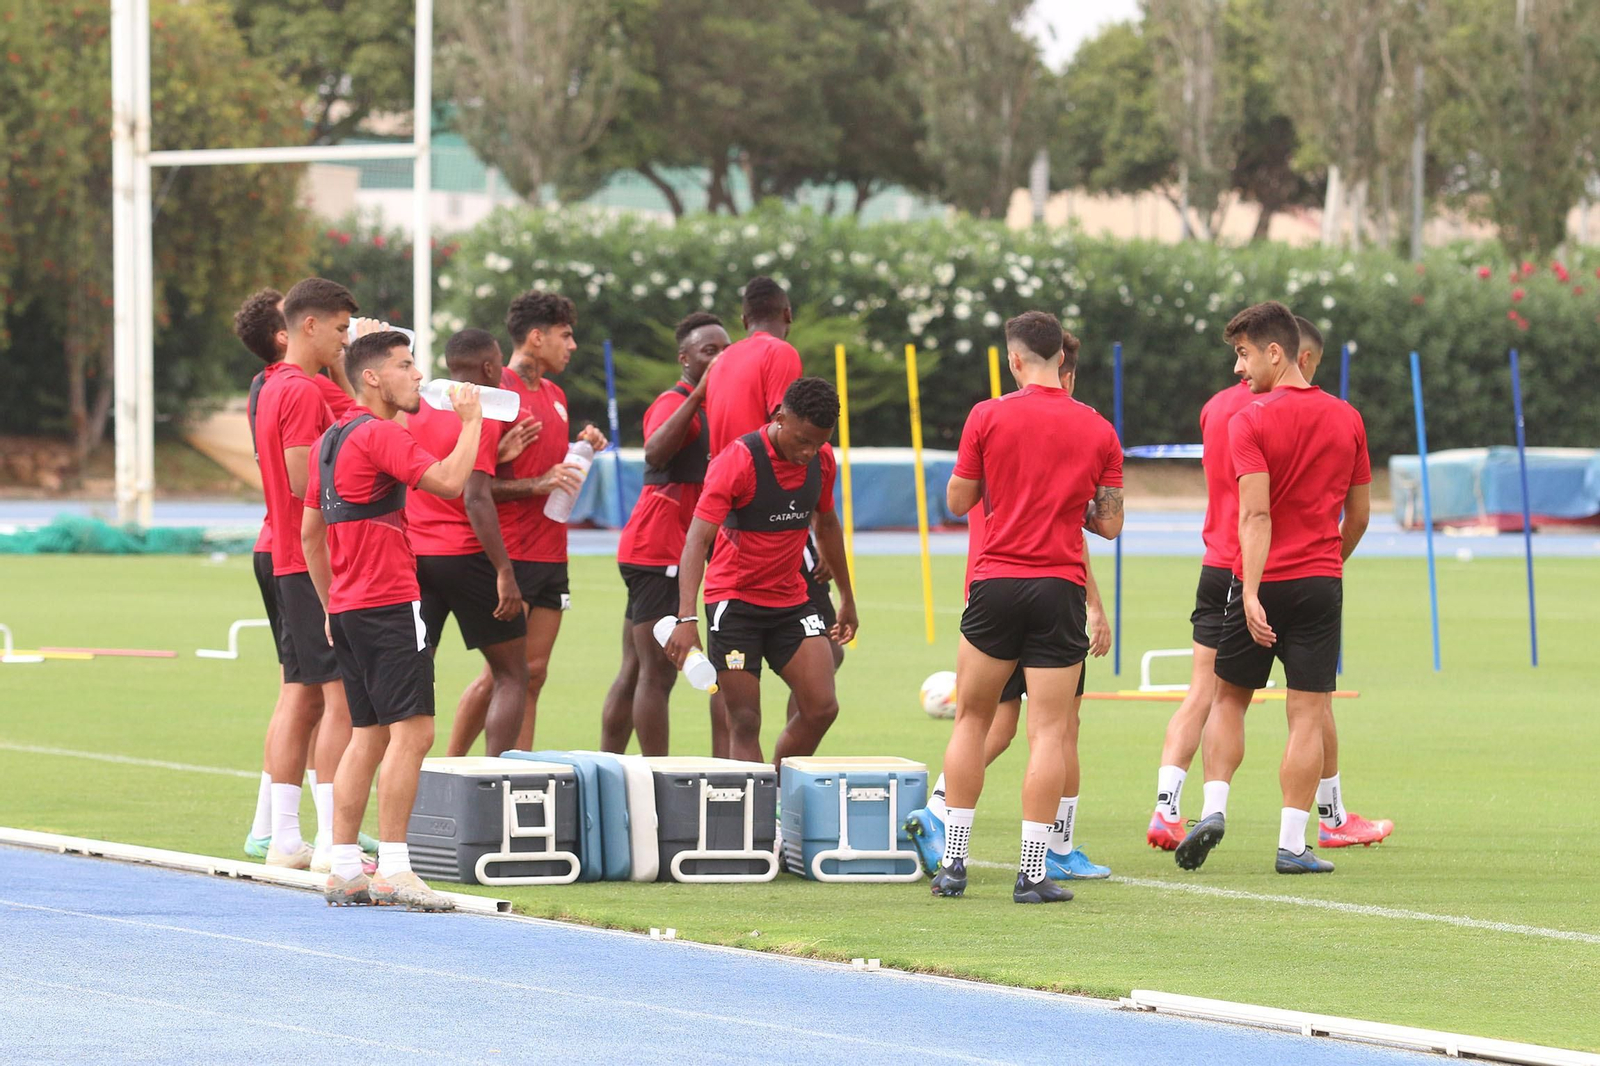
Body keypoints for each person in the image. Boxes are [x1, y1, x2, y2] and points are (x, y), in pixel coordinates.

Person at [1148, 317, 1392, 851]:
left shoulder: (1246, 417)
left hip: (1251, 575)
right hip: (1319, 579)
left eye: (1243, 354)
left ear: (1276, 353)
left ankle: (1210, 809)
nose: (1239, 367)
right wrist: (1332, 560)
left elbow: (1255, 516)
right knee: (1308, 713)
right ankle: (1294, 844)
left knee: (1226, 700)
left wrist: (1252, 590)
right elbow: (1361, 516)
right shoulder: (1348, 417)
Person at [906, 329, 1114, 882]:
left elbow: (956, 502)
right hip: (1059, 588)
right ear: (1064, 359)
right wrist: (1069, 500)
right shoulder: (1098, 427)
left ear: (1015, 359)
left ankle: (953, 863)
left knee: (972, 722)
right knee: (1050, 732)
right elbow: (1110, 524)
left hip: (994, 582)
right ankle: (1033, 872)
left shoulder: (986, 416)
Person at [302, 330, 485, 910]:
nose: (418, 376)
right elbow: (451, 483)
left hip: (352, 607)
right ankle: (396, 868)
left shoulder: (330, 440)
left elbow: (311, 534)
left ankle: (346, 867)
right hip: (387, 601)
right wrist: (473, 422)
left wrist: (331, 603)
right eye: (407, 365)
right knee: (415, 732)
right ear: (374, 378)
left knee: (368, 735)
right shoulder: (378, 434)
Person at [663, 378, 858, 766]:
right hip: (735, 607)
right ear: (779, 417)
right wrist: (685, 617)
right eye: (802, 439)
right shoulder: (738, 461)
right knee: (745, 721)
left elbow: (828, 525)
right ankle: (757, 819)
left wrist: (847, 597)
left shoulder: (821, 460)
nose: (808, 452)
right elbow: (697, 541)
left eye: (818, 442)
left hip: (791, 603)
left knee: (822, 707)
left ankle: (780, 792)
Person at [453, 291, 606, 753]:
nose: (572, 345)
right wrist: (535, 484)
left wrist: (584, 448)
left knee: (533, 675)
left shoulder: (556, 397)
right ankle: (448, 769)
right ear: (536, 338)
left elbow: (548, 473)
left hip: (551, 553)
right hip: (509, 554)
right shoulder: (495, 394)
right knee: (503, 674)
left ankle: (518, 773)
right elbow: (471, 487)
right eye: (565, 335)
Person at [700, 276, 845, 754]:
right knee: (830, 650)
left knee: (740, 687)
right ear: (788, 315)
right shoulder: (780, 355)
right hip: (767, 508)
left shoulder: (723, 361)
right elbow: (789, 437)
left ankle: (737, 775)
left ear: (743, 321)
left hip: (727, 513)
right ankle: (780, 778)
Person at [250, 278, 360, 870]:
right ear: (310, 326)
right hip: (304, 556)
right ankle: (325, 841)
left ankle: (288, 836)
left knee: (306, 694)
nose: (346, 341)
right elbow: (301, 480)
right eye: (341, 329)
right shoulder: (296, 391)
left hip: (289, 554)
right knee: (338, 698)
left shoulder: (282, 385)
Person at [600, 312, 728, 756]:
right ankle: (655, 776)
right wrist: (698, 393)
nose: (720, 358)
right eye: (709, 351)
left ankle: (607, 765)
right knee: (658, 672)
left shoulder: (724, 408)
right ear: (685, 359)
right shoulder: (673, 401)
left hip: (671, 549)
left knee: (635, 667)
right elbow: (655, 451)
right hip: (659, 549)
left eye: (725, 350)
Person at [406, 328, 531, 758]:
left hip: (414, 557)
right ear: (491, 367)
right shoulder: (482, 410)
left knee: (416, 675)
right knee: (514, 673)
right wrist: (504, 570)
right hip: (463, 555)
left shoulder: (416, 405)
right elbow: (476, 496)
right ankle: (497, 777)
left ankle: (410, 780)